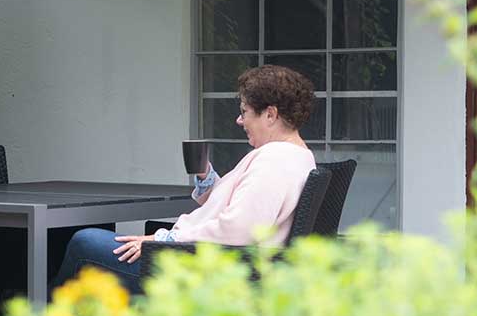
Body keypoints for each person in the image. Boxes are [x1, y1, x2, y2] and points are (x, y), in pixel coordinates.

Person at [52, 65, 318, 292]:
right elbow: (243, 210)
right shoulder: (295, 157)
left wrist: (164, 239)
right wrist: (206, 176)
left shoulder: (274, 162)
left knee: (84, 241)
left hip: (200, 267)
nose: (239, 120)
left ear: (270, 114)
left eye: (245, 111)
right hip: (210, 257)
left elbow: (239, 228)